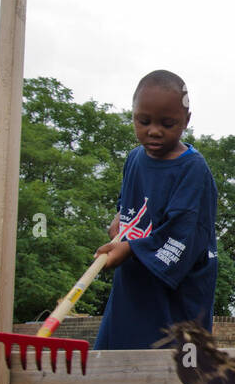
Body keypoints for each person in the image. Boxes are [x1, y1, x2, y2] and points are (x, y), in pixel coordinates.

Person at [93, 70, 218, 350]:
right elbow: (132, 202)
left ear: (186, 120)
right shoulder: (134, 159)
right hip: (134, 280)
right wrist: (120, 218)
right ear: (133, 114)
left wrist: (130, 249)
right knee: (118, 351)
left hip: (174, 288)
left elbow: (186, 232)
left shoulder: (192, 169)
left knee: (168, 362)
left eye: (167, 123)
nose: (154, 130)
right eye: (143, 121)